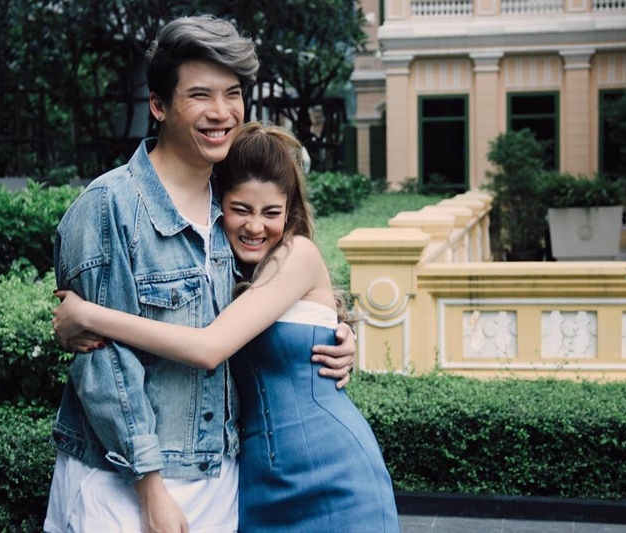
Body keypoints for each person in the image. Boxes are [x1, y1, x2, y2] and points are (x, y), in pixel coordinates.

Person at [43, 15, 356, 533]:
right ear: (159, 105)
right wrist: (151, 490)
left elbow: (269, 310)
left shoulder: (233, 210)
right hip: (122, 485)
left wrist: (335, 337)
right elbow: (104, 368)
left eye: (232, 94)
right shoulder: (108, 206)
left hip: (220, 477)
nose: (221, 112)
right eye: (200, 95)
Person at [53, 122, 401, 532]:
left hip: (332, 473)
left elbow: (209, 348)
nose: (256, 226)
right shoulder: (224, 268)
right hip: (256, 483)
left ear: (290, 211)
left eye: (272, 213)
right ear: (219, 205)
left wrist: (89, 315)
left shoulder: (297, 254)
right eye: (241, 209)